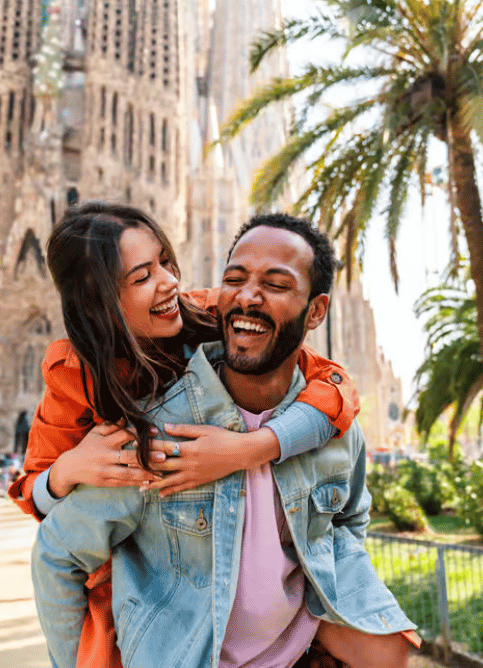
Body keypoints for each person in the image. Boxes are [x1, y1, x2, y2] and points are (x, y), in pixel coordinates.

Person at [32, 213, 418, 668]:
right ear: (100, 305)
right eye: (142, 276)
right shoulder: (94, 392)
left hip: (289, 635)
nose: (168, 282)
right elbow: (51, 535)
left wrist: (252, 448)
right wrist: (65, 471)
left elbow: (333, 389)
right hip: (173, 632)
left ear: (316, 310)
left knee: (390, 648)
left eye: (166, 263)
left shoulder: (206, 313)